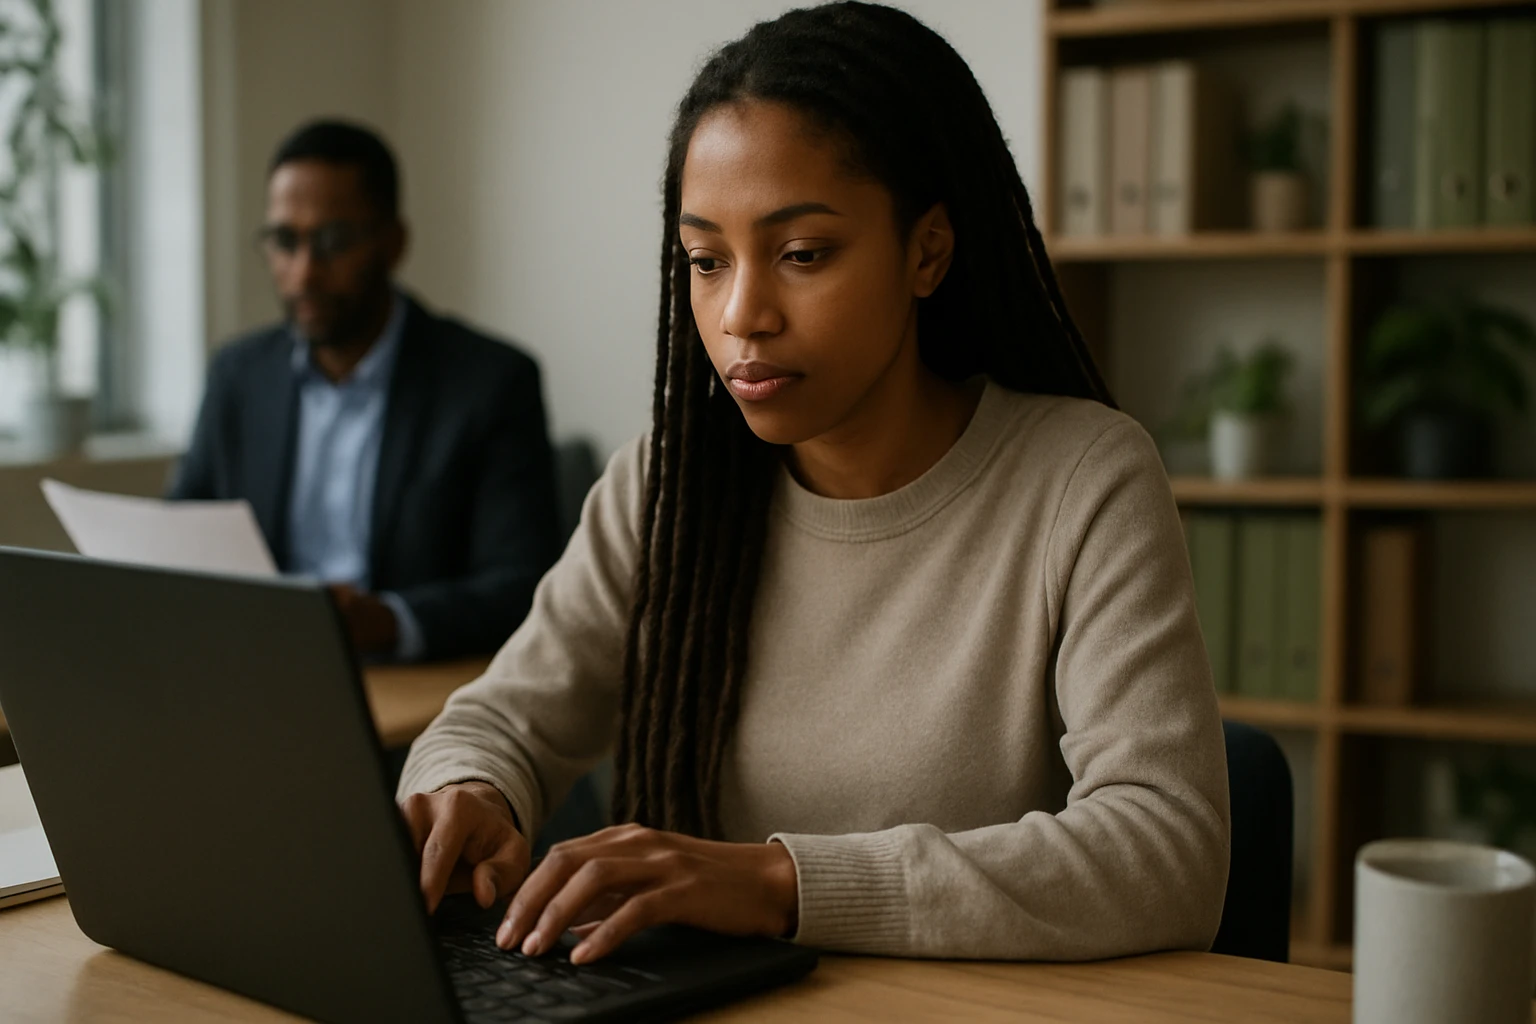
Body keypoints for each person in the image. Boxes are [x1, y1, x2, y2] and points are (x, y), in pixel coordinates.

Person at [397, 2, 1230, 966]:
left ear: (927, 251)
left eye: (801, 255)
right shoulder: (668, 487)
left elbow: (1168, 849)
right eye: (706, 262)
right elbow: (503, 716)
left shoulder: (1083, 479)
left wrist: (776, 884)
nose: (741, 314)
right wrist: (472, 789)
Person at [170, 121, 561, 662]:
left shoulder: (490, 382)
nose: (304, 274)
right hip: (256, 665)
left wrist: (386, 621)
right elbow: (178, 536)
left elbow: (523, 586)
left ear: (392, 243)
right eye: (285, 241)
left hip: (409, 679)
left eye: (332, 241)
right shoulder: (237, 376)